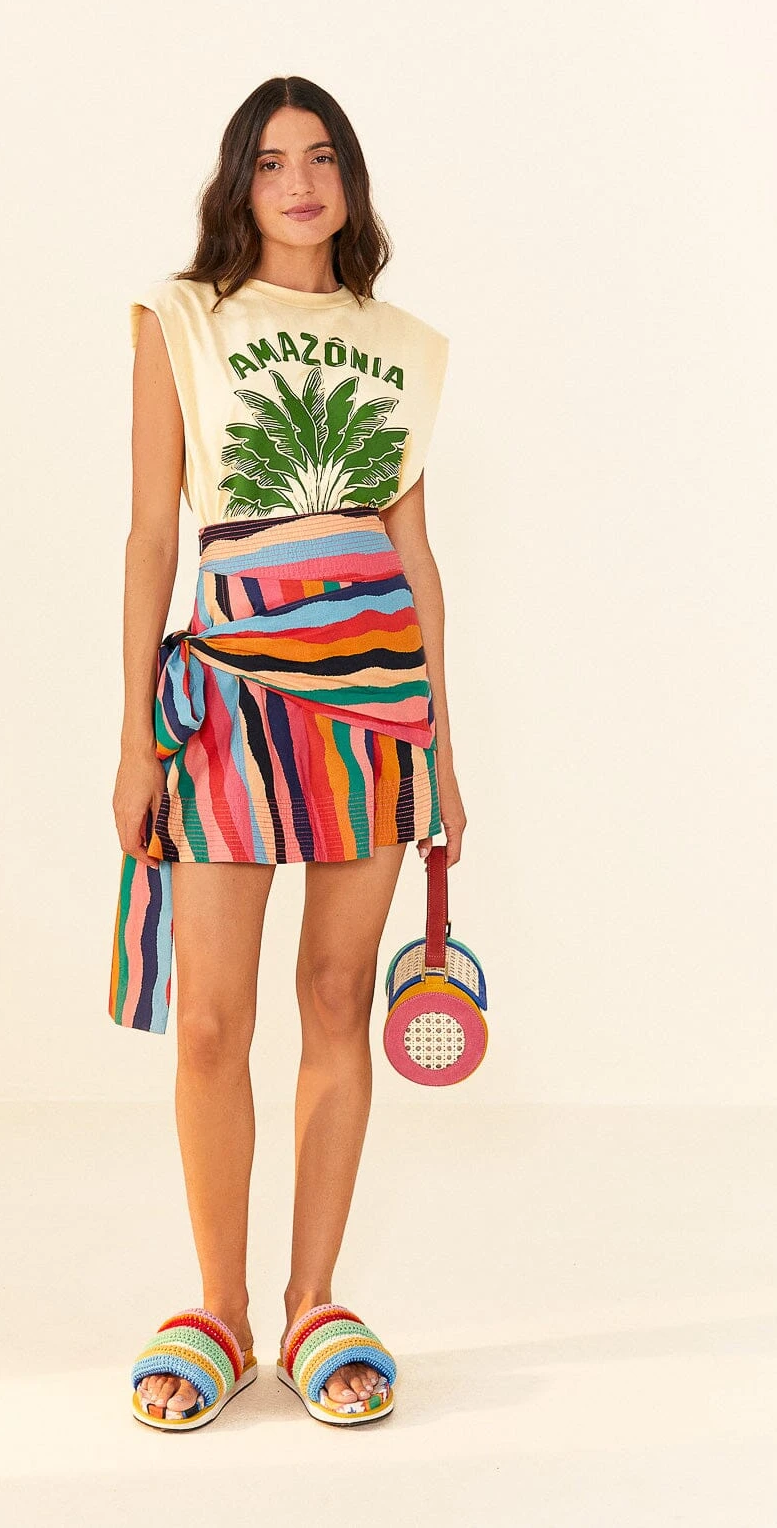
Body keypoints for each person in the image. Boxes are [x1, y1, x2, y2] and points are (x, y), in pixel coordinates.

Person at [111, 76, 466, 1428]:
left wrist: (443, 751)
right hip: (226, 702)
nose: (300, 183)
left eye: (321, 159)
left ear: (351, 180)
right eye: (270, 163)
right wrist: (135, 735)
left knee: (335, 996)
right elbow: (153, 534)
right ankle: (222, 1307)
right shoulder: (182, 318)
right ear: (238, 185)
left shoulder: (404, 344)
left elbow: (415, 557)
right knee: (211, 1019)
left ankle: (315, 1302)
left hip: (375, 714)